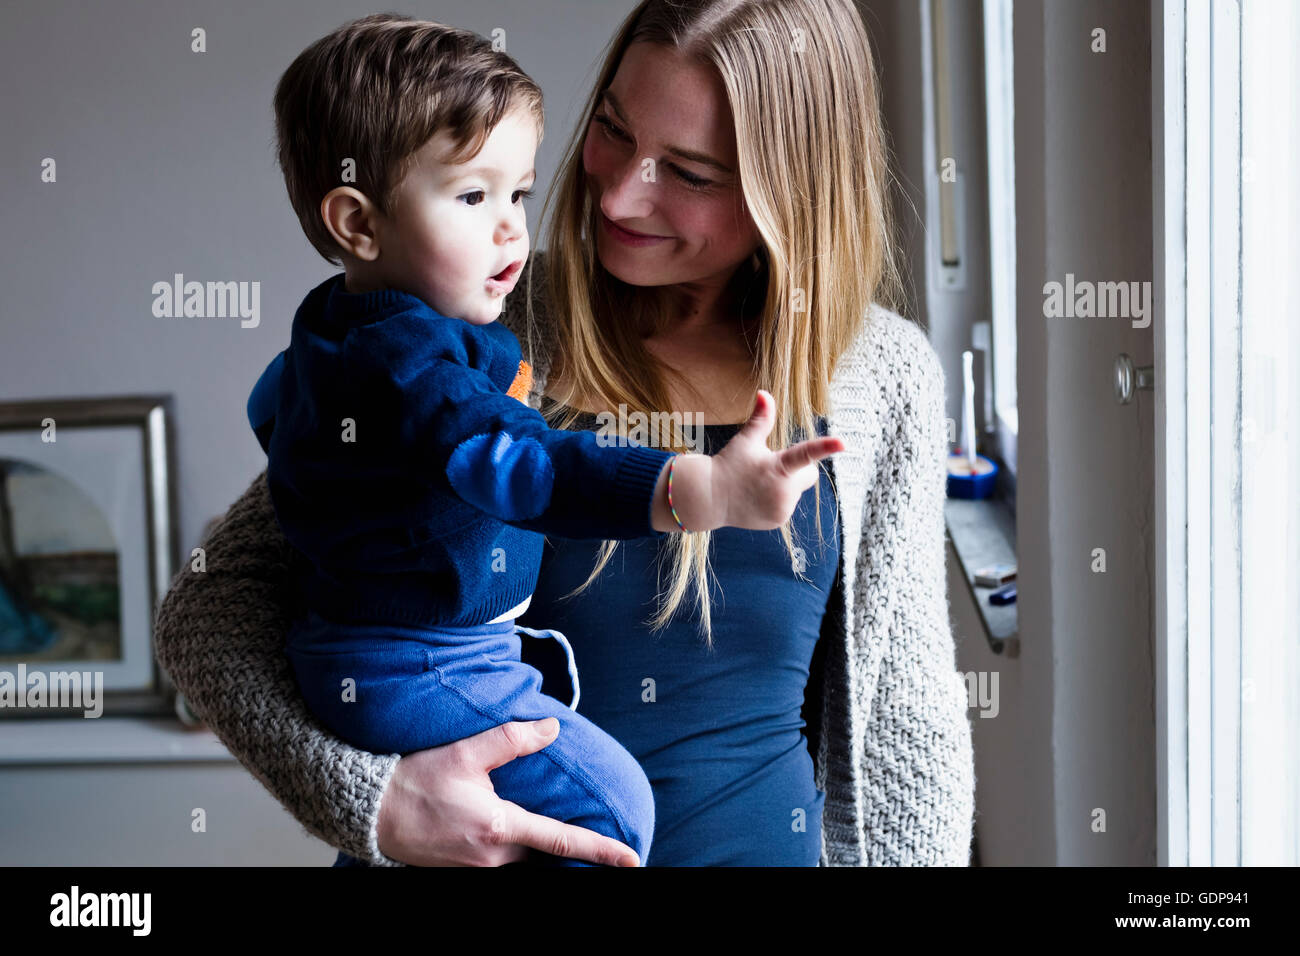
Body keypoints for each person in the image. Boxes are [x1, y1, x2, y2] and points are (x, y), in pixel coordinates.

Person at [155, 0, 976, 867]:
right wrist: (375, 802)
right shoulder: (473, 329)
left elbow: (905, 724)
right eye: (614, 131)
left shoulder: (879, 378)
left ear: (793, 188)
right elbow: (211, 613)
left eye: (690, 173)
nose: (619, 192)